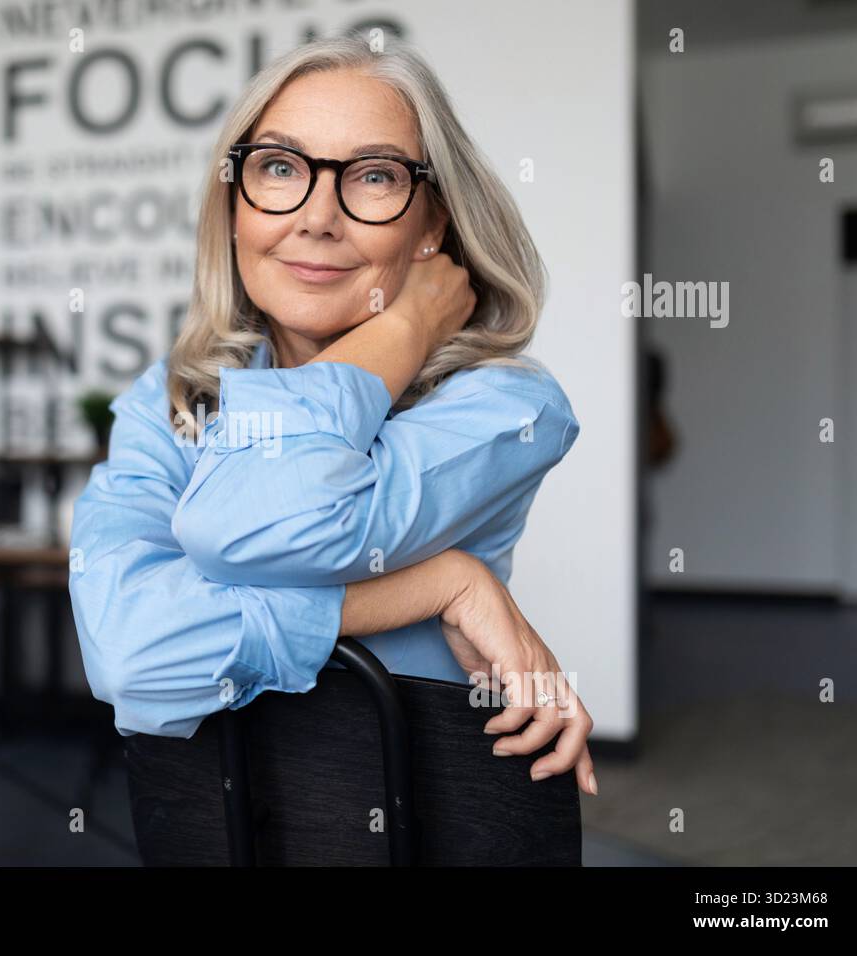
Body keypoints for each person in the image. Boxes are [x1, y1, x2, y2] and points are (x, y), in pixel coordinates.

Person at [68, 34, 597, 797]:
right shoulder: (171, 400)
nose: (317, 217)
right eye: (279, 168)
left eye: (375, 176)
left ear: (433, 224)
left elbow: (254, 520)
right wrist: (440, 585)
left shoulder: (506, 406)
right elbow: (133, 655)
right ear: (234, 202)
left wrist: (404, 330)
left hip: (418, 820)